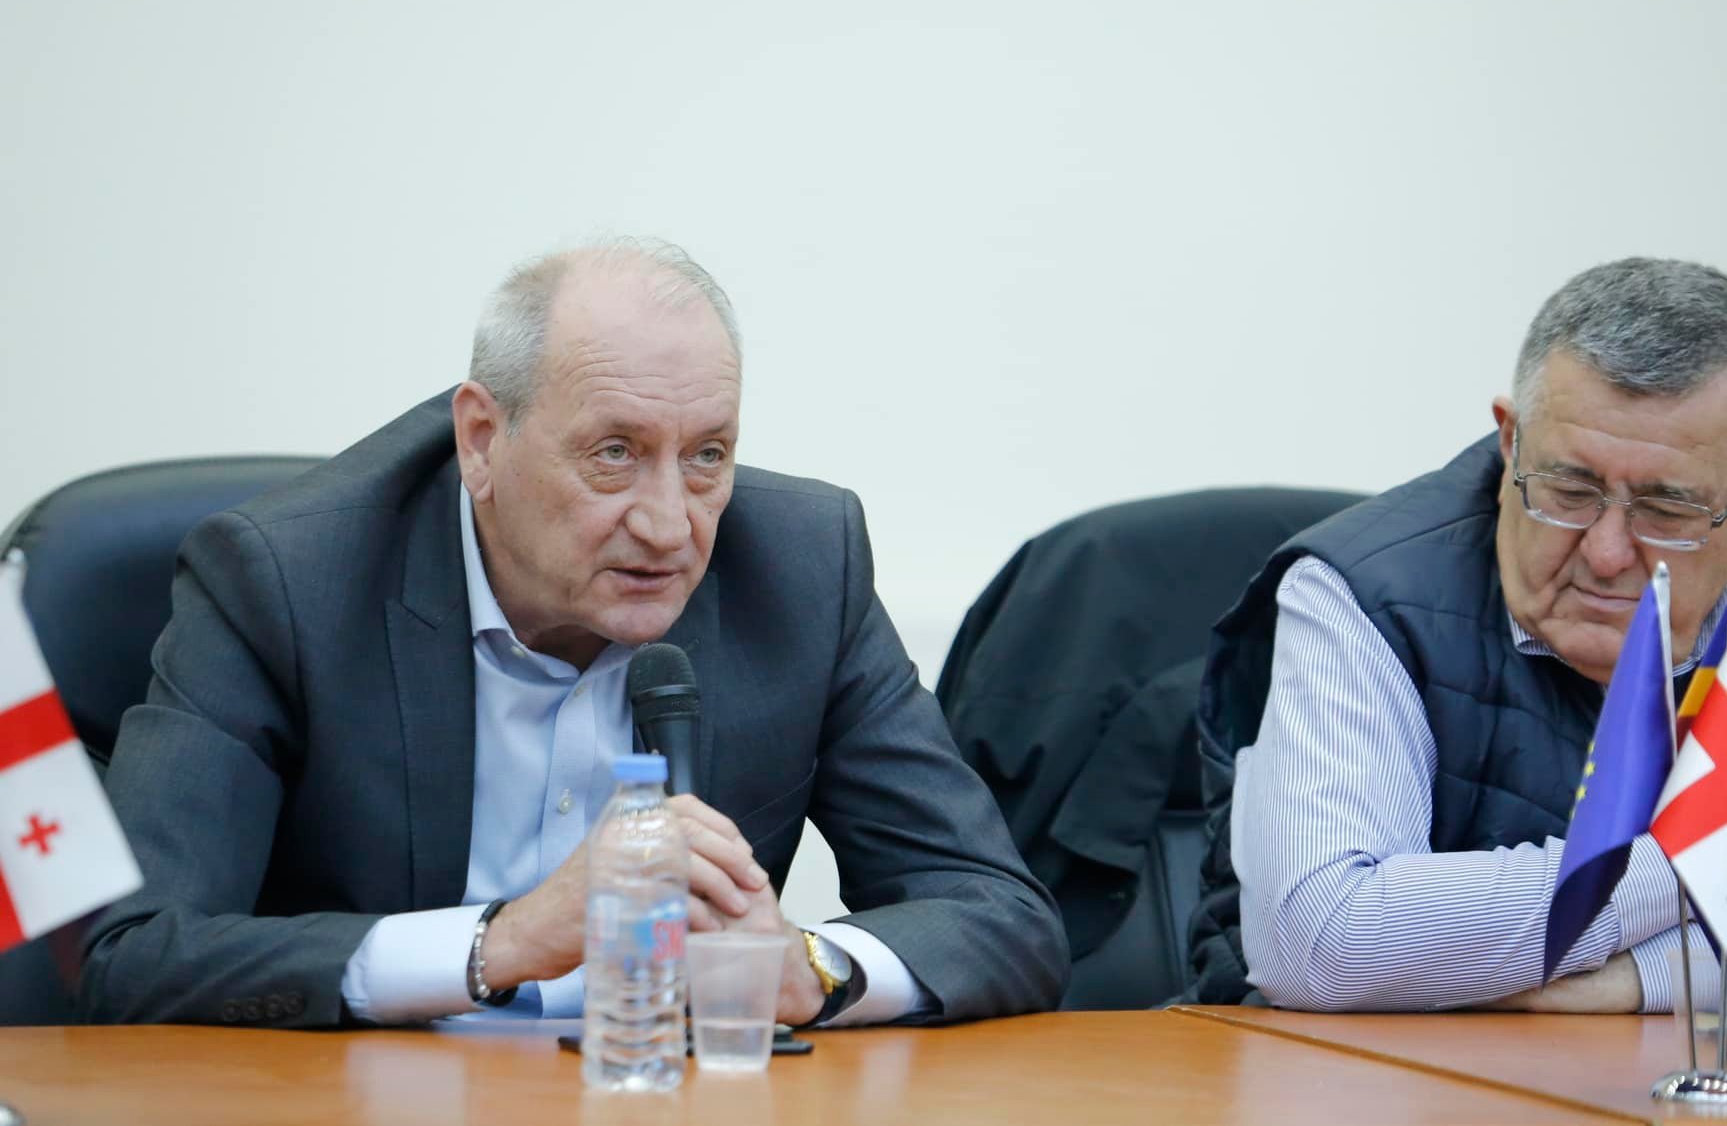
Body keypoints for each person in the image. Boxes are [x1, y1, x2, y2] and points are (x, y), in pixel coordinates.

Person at [81, 239, 1068, 1027]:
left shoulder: (802, 567)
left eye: (707, 456)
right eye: (614, 453)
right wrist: (501, 943)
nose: (669, 525)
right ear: (482, 440)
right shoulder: (286, 579)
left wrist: (807, 967)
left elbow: (1001, 915)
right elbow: (129, 952)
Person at [1189, 257, 1727, 1013]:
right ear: (1510, 440)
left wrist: (1657, 978)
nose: (1608, 552)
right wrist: (1726, 855)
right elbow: (1325, 942)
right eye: (1569, 489)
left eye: (1666, 509)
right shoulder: (1367, 591)